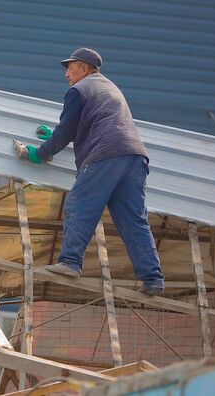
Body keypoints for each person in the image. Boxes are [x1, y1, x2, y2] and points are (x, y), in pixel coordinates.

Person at [15, 48, 165, 295]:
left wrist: (39, 153)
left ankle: (70, 262)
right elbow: (94, 125)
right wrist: (57, 136)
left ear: (84, 69)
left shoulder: (78, 91)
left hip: (106, 155)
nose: (67, 75)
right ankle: (153, 278)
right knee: (133, 219)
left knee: (80, 203)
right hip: (135, 157)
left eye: (70, 68)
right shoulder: (109, 88)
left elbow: (66, 131)